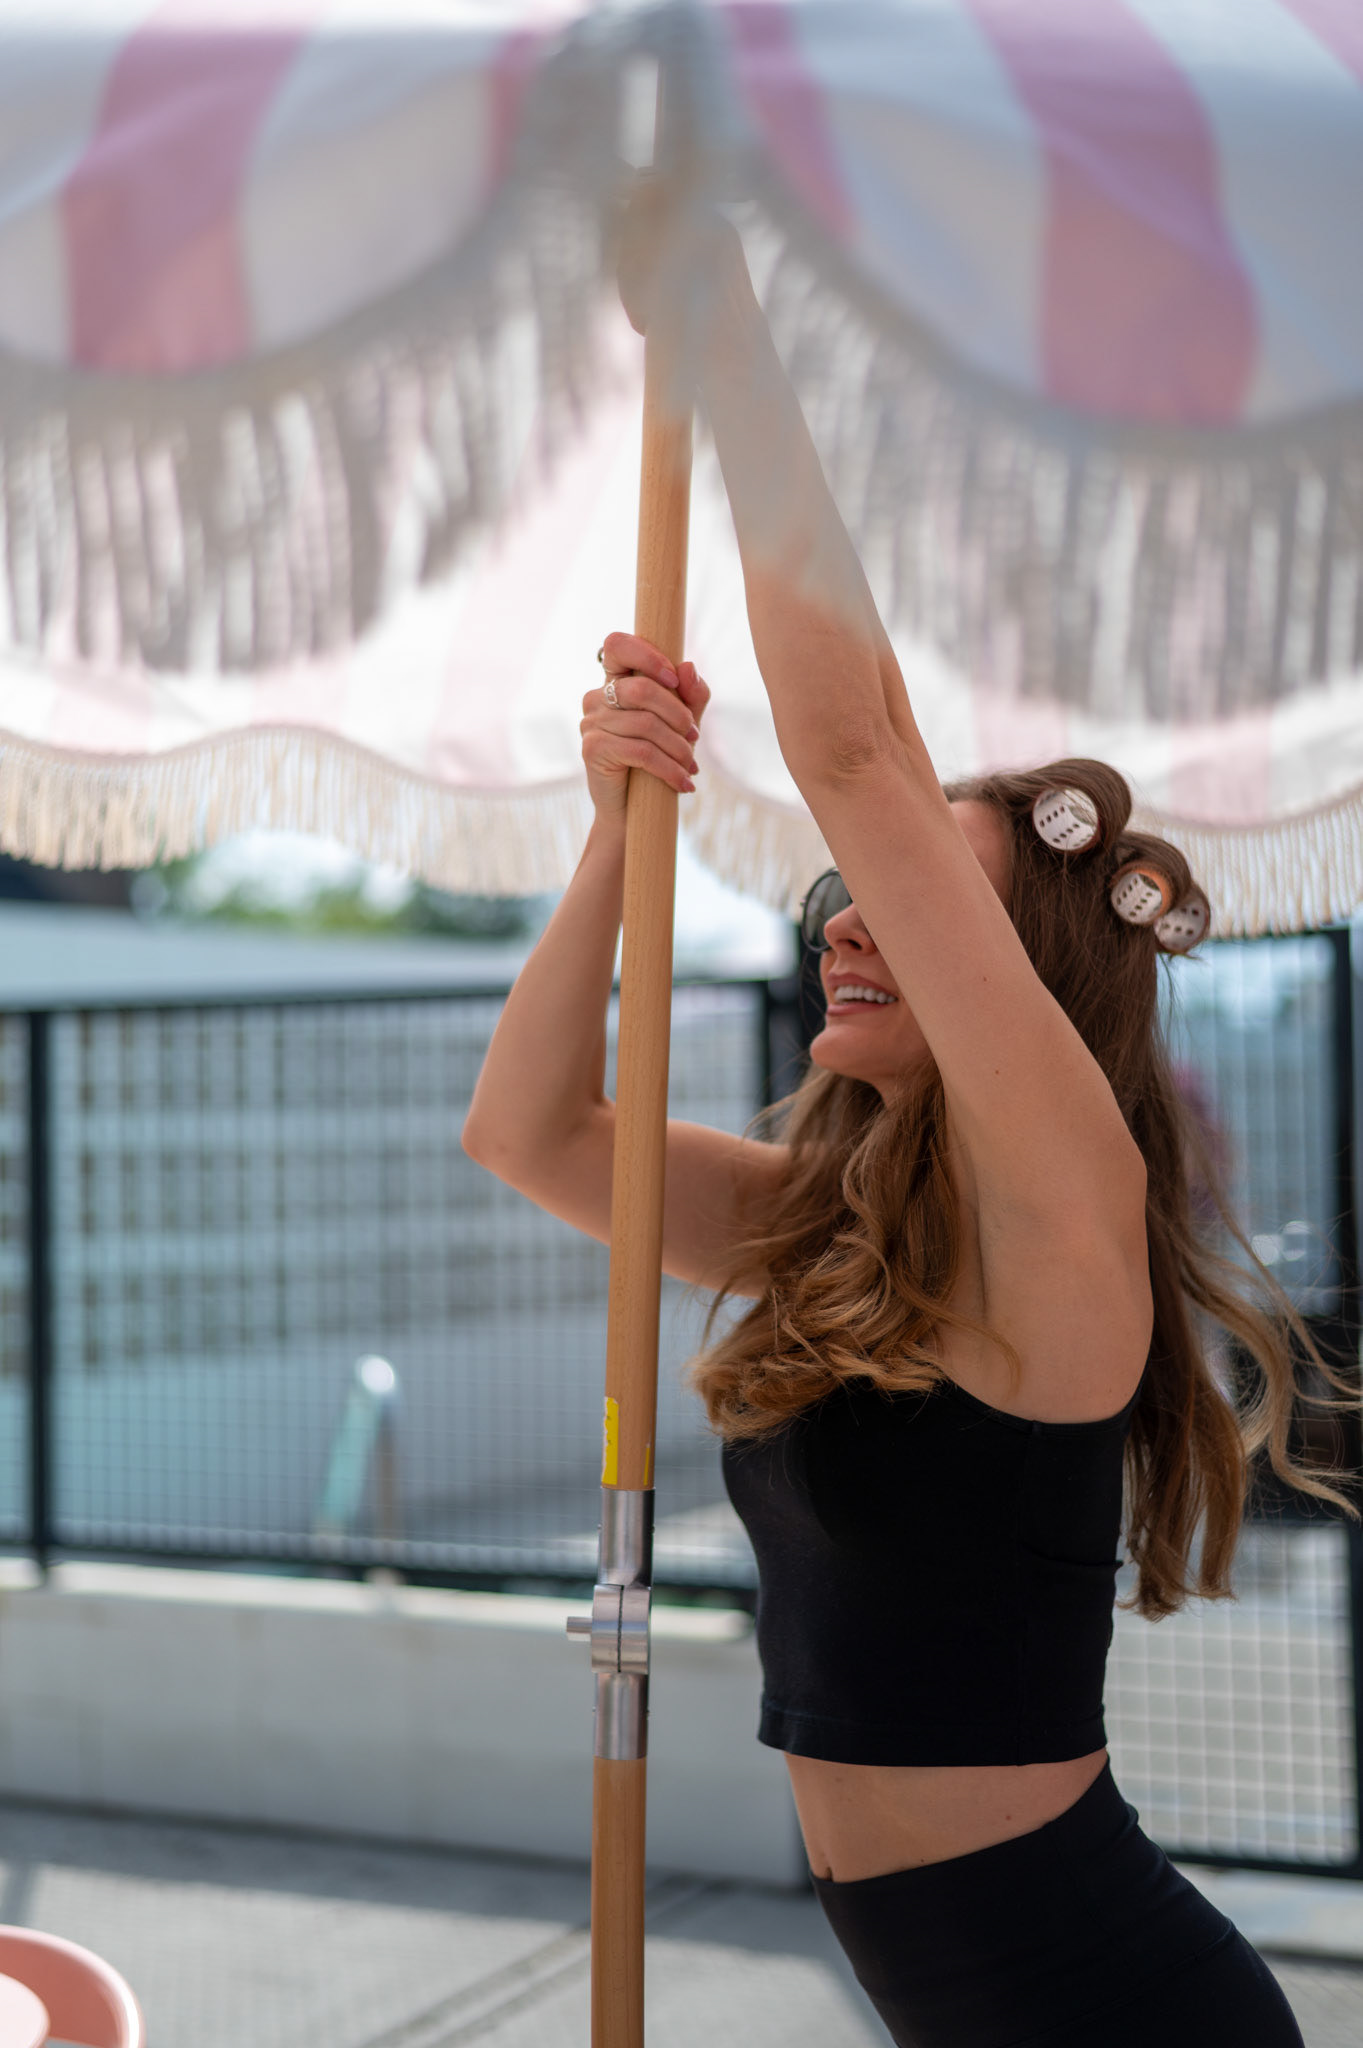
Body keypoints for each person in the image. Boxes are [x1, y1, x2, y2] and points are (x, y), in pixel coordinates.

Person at [462, 209, 1342, 2046]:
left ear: (1016, 984)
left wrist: (723, 334)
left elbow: (854, 750)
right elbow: (531, 1129)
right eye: (849, 893)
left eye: (912, 900)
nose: (848, 918)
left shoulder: (1069, 1209)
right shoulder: (833, 1228)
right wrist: (621, 835)